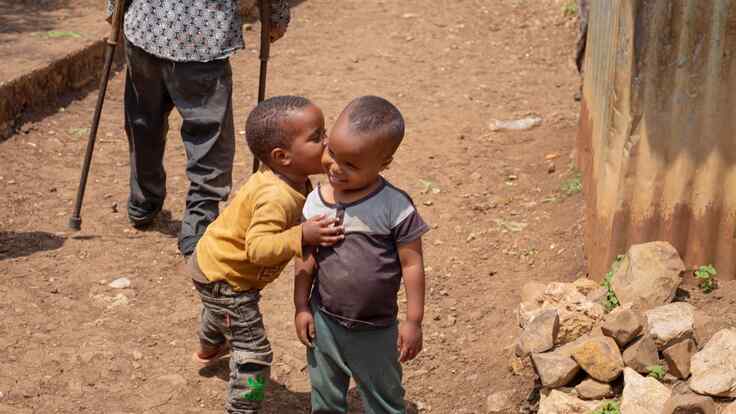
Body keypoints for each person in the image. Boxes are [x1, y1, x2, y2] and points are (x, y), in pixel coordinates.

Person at [189, 96, 343, 414]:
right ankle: (243, 407)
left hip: (212, 266)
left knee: (221, 315)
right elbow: (257, 249)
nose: (327, 141)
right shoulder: (276, 196)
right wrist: (301, 234)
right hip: (227, 281)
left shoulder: (291, 177)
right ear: (281, 156)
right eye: (317, 137)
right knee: (253, 354)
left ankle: (209, 346)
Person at [105, 0, 291, 257]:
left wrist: (113, 8)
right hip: (203, 36)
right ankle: (198, 222)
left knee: (143, 122)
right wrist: (276, 15)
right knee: (209, 135)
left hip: (146, 27)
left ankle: (143, 200)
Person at [293, 96, 429, 414]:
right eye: (331, 153)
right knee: (325, 397)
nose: (335, 168)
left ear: (384, 163)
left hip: (376, 329)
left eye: (351, 164)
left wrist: (413, 321)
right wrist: (301, 306)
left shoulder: (394, 206)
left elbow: (412, 263)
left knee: (383, 398)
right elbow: (306, 257)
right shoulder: (315, 201)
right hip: (324, 319)